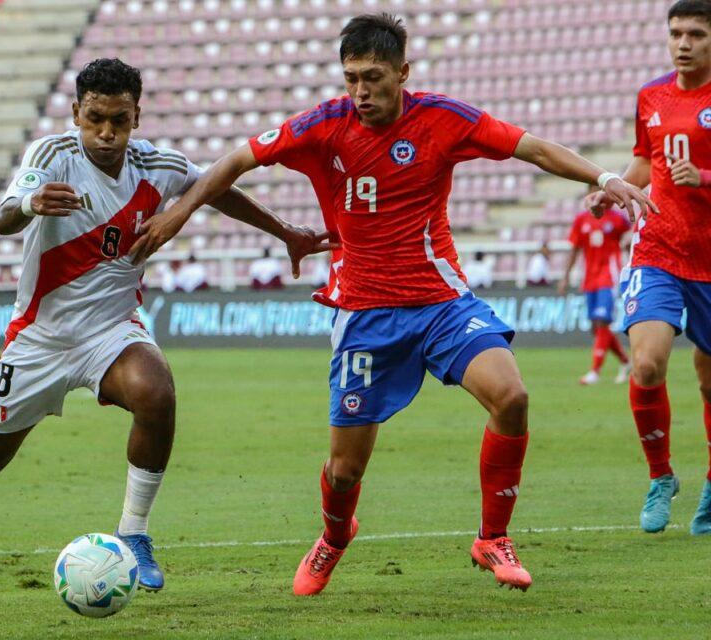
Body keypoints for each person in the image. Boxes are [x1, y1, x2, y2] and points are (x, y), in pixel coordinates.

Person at [131, 14, 655, 593]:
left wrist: (604, 176)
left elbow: (532, 148)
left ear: (402, 73)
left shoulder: (444, 120)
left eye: (374, 77)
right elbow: (233, 163)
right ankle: (333, 536)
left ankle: (492, 537)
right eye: (351, 77)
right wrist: (182, 211)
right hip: (364, 314)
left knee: (512, 397)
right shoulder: (321, 126)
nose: (361, 91)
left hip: (441, 301)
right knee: (345, 468)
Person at [0, 58, 326, 608]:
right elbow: (3, 216)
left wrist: (285, 230)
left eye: (119, 119)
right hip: (39, 339)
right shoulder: (53, 156)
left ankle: (134, 534)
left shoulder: (158, 166)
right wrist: (28, 204)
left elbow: (215, 187)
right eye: (95, 118)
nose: (106, 132)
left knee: (156, 391)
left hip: (111, 332)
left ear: (137, 115)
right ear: (76, 112)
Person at [587, 0, 711, 536]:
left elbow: (689, 170)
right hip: (658, 250)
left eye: (696, 35)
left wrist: (702, 178)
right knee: (647, 365)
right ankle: (662, 476)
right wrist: (613, 187)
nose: (683, 44)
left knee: (708, 381)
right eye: (676, 33)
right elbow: (647, 159)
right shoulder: (652, 96)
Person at [559, 185, 632, 385]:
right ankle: (626, 362)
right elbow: (574, 249)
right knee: (597, 327)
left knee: (602, 322)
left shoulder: (617, 218)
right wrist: (565, 277)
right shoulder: (581, 220)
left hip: (609, 275)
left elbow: (634, 231)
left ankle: (595, 371)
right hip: (589, 277)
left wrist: (628, 242)